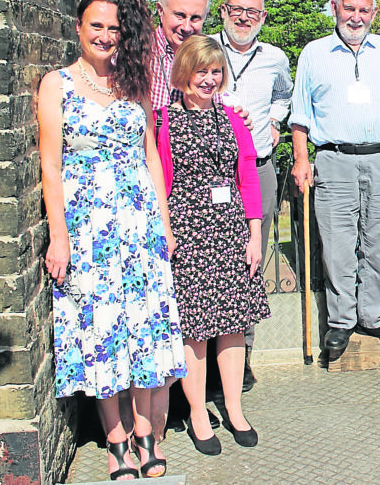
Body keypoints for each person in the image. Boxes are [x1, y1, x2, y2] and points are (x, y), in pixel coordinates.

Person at [38, 0, 187, 480]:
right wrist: (59, 236)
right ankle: (115, 439)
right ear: (79, 28)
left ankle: (146, 431)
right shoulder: (55, 84)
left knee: (144, 325)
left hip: (140, 224)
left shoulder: (134, 82)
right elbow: (51, 167)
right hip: (89, 230)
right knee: (101, 328)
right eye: (95, 26)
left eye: (114, 28)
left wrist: (164, 226)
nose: (104, 36)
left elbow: (151, 157)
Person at [156, 35, 271, 456]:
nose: (209, 79)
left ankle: (235, 409)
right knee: (195, 328)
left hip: (229, 230)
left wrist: (254, 232)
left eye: (216, 71)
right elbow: (159, 181)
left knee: (233, 325)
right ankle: (199, 415)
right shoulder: (163, 121)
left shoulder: (234, 120)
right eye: (201, 71)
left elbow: (248, 178)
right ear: (184, 73)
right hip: (186, 231)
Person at [290, 0, 380, 356]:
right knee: (338, 247)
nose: (356, 17)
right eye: (350, 8)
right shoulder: (314, 53)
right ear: (335, 7)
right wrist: (300, 160)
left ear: (373, 13)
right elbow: (300, 114)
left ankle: (374, 317)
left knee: (378, 245)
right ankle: (341, 321)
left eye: (364, 10)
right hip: (334, 160)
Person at [217, 0, 293, 389]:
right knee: (209, 261)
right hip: (213, 173)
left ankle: (242, 354)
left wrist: (274, 120)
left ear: (262, 18)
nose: (244, 17)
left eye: (253, 12)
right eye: (237, 9)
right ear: (224, 12)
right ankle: (209, 359)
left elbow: (284, 94)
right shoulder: (206, 49)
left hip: (258, 168)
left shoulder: (274, 58)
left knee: (251, 260)